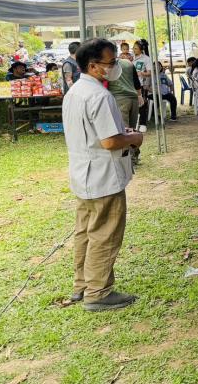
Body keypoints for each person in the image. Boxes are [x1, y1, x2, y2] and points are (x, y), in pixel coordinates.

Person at [61, 39, 144, 311]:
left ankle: (82, 285)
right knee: (105, 234)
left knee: (85, 231)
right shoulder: (99, 95)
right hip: (103, 176)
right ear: (93, 66)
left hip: (83, 174)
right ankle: (97, 292)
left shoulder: (75, 92)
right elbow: (109, 141)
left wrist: (122, 133)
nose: (115, 66)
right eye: (111, 62)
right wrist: (133, 138)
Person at [107, 56, 143, 131]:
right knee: (132, 130)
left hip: (119, 99)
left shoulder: (107, 64)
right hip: (133, 98)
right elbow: (136, 81)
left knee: (124, 130)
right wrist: (139, 95)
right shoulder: (128, 63)